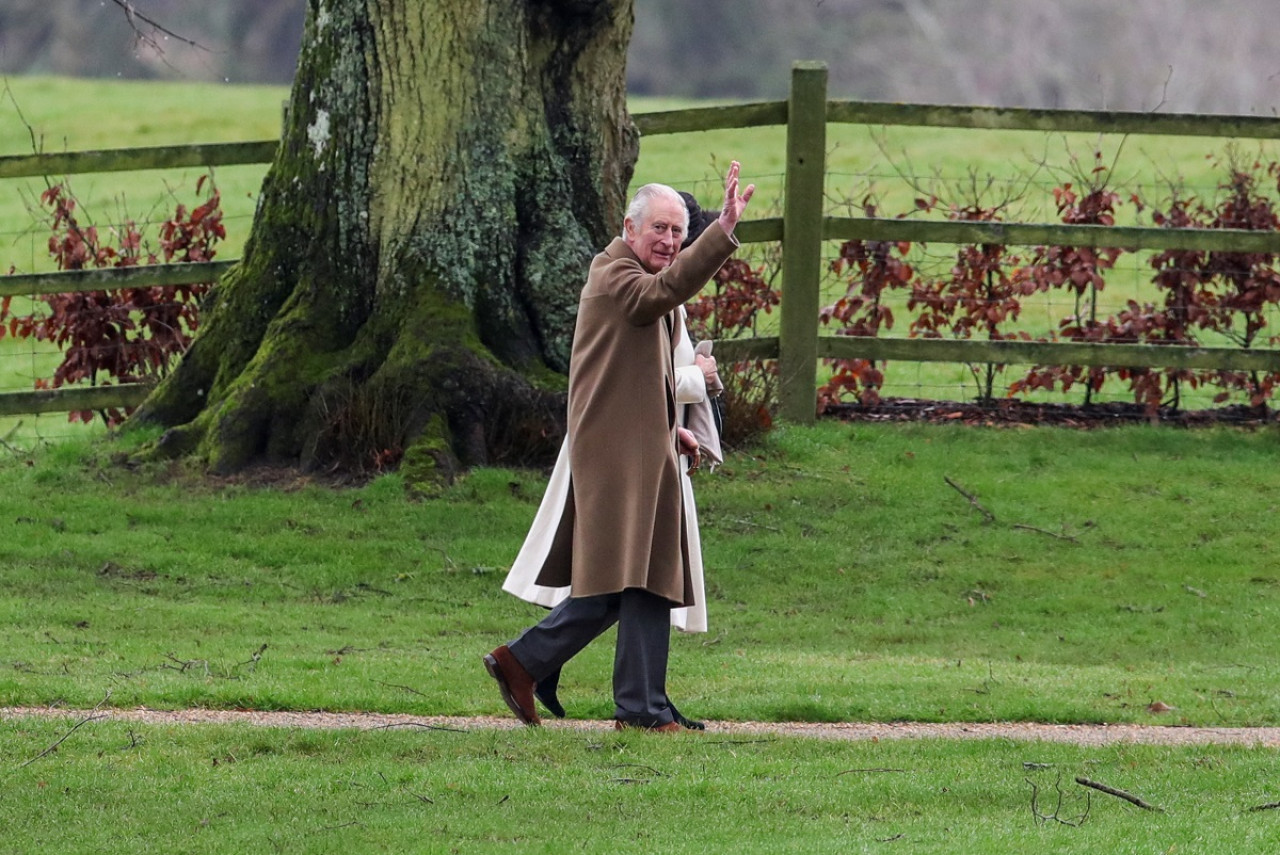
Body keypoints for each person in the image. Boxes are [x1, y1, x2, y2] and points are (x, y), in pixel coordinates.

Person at [484, 163, 754, 731]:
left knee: (644, 578)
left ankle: (604, 692)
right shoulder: (616, 275)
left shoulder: (630, 277)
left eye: (679, 232)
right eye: (660, 229)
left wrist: (669, 427)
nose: (671, 241)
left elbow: (636, 376)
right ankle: (583, 684)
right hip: (615, 456)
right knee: (634, 578)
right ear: (629, 229)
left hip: (637, 446)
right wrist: (722, 231)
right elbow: (660, 294)